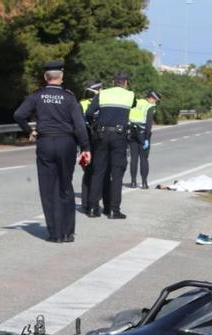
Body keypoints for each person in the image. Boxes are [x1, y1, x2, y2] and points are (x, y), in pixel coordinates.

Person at [13, 60, 90, 243]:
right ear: (61, 77)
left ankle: (54, 233)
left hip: (45, 142)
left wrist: (29, 130)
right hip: (66, 144)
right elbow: (79, 126)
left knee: (48, 189)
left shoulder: (37, 96)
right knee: (65, 186)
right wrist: (85, 147)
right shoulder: (69, 97)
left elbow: (18, 115)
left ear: (45, 77)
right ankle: (67, 232)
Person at [84, 71, 135, 219]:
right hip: (120, 136)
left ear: (113, 82)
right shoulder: (130, 95)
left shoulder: (103, 94)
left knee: (98, 171)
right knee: (116, 174)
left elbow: (89, 113)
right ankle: (113, 210)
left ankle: (93, 209)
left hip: (101, 135)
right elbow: (132, 106)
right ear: (125, 83)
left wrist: (97, 123)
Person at [127, 90, 161, 189]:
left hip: (132, 132)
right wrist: (146, 138)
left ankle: (133, 182)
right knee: (144, 159)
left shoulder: (137, 102)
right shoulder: (149, 106)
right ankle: (144, 183)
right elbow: (148, 123)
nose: (155, 103)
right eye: (155, 100)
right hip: (142, 134)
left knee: (133, 159)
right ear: (151, 98)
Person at [80, 82, 102, 210]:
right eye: (100, 89)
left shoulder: (98, 102)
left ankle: (89, 201)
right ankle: (89, 202)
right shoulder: (85, 103)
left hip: (91, 141)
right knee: (92, 172)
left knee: (91, 172)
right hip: (90, 141)